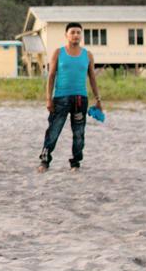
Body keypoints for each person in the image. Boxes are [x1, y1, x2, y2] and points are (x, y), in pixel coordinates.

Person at [38, 22, 102, 172]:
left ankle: (75, 163)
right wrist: (48, 98)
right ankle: (45, 161)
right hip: (60, 99)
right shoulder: (58, 53)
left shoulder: (88, 55)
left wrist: (98, 99)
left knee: (79, 133)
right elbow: (51, 76)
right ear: (66, 35)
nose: (76, 35)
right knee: (54, 130)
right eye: (72, 32)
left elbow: (92, 78)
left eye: (78, 32)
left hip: (80, 100)